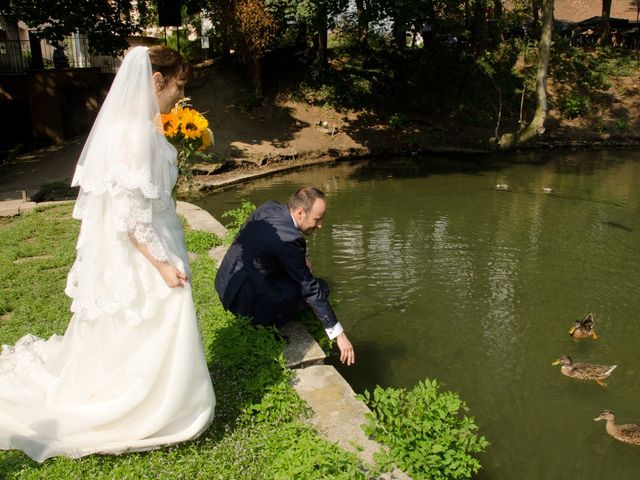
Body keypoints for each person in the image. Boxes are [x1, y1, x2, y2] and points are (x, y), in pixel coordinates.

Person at [0, 45, 215, 462]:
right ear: (158, 81)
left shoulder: (137, 125)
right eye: (178, 85)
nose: (179, 95)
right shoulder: (133, 134)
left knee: (131, 322)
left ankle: (144, 390)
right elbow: (129, 214)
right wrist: (161, 264)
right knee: (167, 304)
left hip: (155, 233)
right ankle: (152, 407)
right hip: (143, 245)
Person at [215, 187, 356, 366]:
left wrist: (302, 257)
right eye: (317, 219)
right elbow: (309, 288)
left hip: (226, 286)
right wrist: (339, 335)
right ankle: (263, 321)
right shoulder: (289, 240)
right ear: (300, 212)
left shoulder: (270, 207)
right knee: (320, 287)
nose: (320, 225)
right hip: (244, 304)